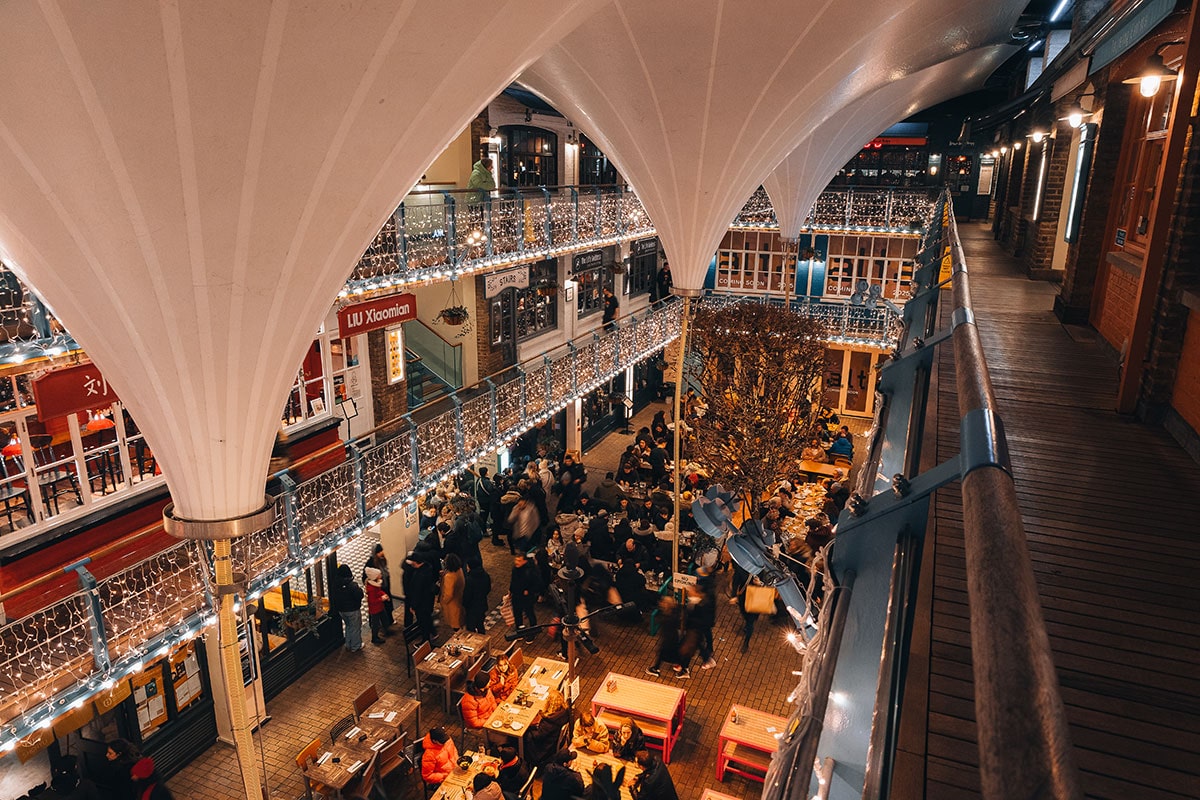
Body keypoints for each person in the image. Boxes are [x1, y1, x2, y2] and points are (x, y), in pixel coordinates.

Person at [524, 689, 569, 767]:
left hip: (544, 748)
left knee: (526, 736)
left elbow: (537, 736)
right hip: (553, 741)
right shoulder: (563, 712)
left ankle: (527, 759)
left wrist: (530, 727)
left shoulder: (549, 721)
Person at [404, 549, 437, 643]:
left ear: (416, 562)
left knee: (423, 622)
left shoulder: (420, 575)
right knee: (427, 619)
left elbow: (417, 592)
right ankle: (432, 634)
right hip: (428, 601)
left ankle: (425, 640)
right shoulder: (428, 568)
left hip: (421, 604)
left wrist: (413, 606)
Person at [330, 564, 364, 652]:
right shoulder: (352, 585)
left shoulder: (335, 584)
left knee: (348, 626)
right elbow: (359, 595)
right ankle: (356, 646)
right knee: (355, 627)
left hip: (341, 610)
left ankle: (348, 644)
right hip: (352, 610)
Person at [510, 551, 542, 640]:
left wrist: (529, 591)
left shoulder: (531, 571)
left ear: (525, 561)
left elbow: (537, 583)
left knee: (529, 612)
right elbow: (513, 580)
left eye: (519, 561)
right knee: (517, 613)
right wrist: (510, 590)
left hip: (527, 597)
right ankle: (520, 629)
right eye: (516, 560)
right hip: (516, 594)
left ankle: (533, 631)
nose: (517, 562)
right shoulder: (515, 569)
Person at [463, 557, 492, 634]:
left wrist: (465, 604)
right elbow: (488, 588)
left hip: (472, 608)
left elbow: (467, 595)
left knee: (470, 627)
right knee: (480, 625)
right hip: (482, 604)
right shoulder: (485, 575)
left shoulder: (469, 579)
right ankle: (482, 639)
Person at [440, 553, 465, 632]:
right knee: (460, 620)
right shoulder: (459, 570)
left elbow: (448, 594)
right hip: (459, 598)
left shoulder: (449, 577)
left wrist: (443, 600)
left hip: (452, 604)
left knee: (455, 625)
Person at [364, 566, 389, 645]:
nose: (381, 575)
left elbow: (379, 592)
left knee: (384, 619)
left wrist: (384, 595)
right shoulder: (371, 588)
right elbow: (372, 601)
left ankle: (386, 630)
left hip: (379, 606)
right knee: (376, 624)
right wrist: (381, 599)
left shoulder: (375, 584)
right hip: (375, 609)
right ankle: (374, 638)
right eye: (379, 574)